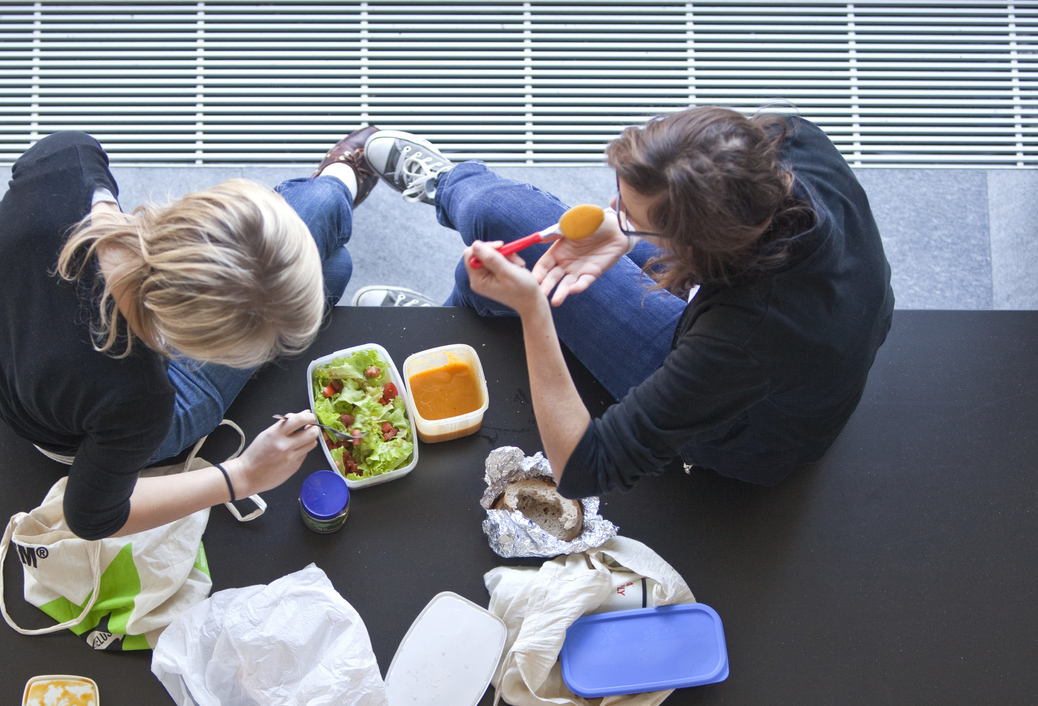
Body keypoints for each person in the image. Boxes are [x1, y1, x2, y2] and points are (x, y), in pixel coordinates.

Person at [357, 109, 895, 494]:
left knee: (509, 257)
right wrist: (625, 229)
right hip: (807, 339)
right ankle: (451, 198)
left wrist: (534, 312)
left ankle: (452, 309)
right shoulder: (790, 143)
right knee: (499, 232)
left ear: (694, 248)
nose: (612, 208)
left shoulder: (744, 336)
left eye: (636, 217)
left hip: (747, 431)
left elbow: (583, 469)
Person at [0, 126, 381, 540]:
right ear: (197, 352)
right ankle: (339, 181)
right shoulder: (143, 400)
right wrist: (243, 474)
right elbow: (90, 517)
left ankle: (337, 182)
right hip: (65, 431)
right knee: (333, 263)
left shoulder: (67, 158)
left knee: (328, 253)